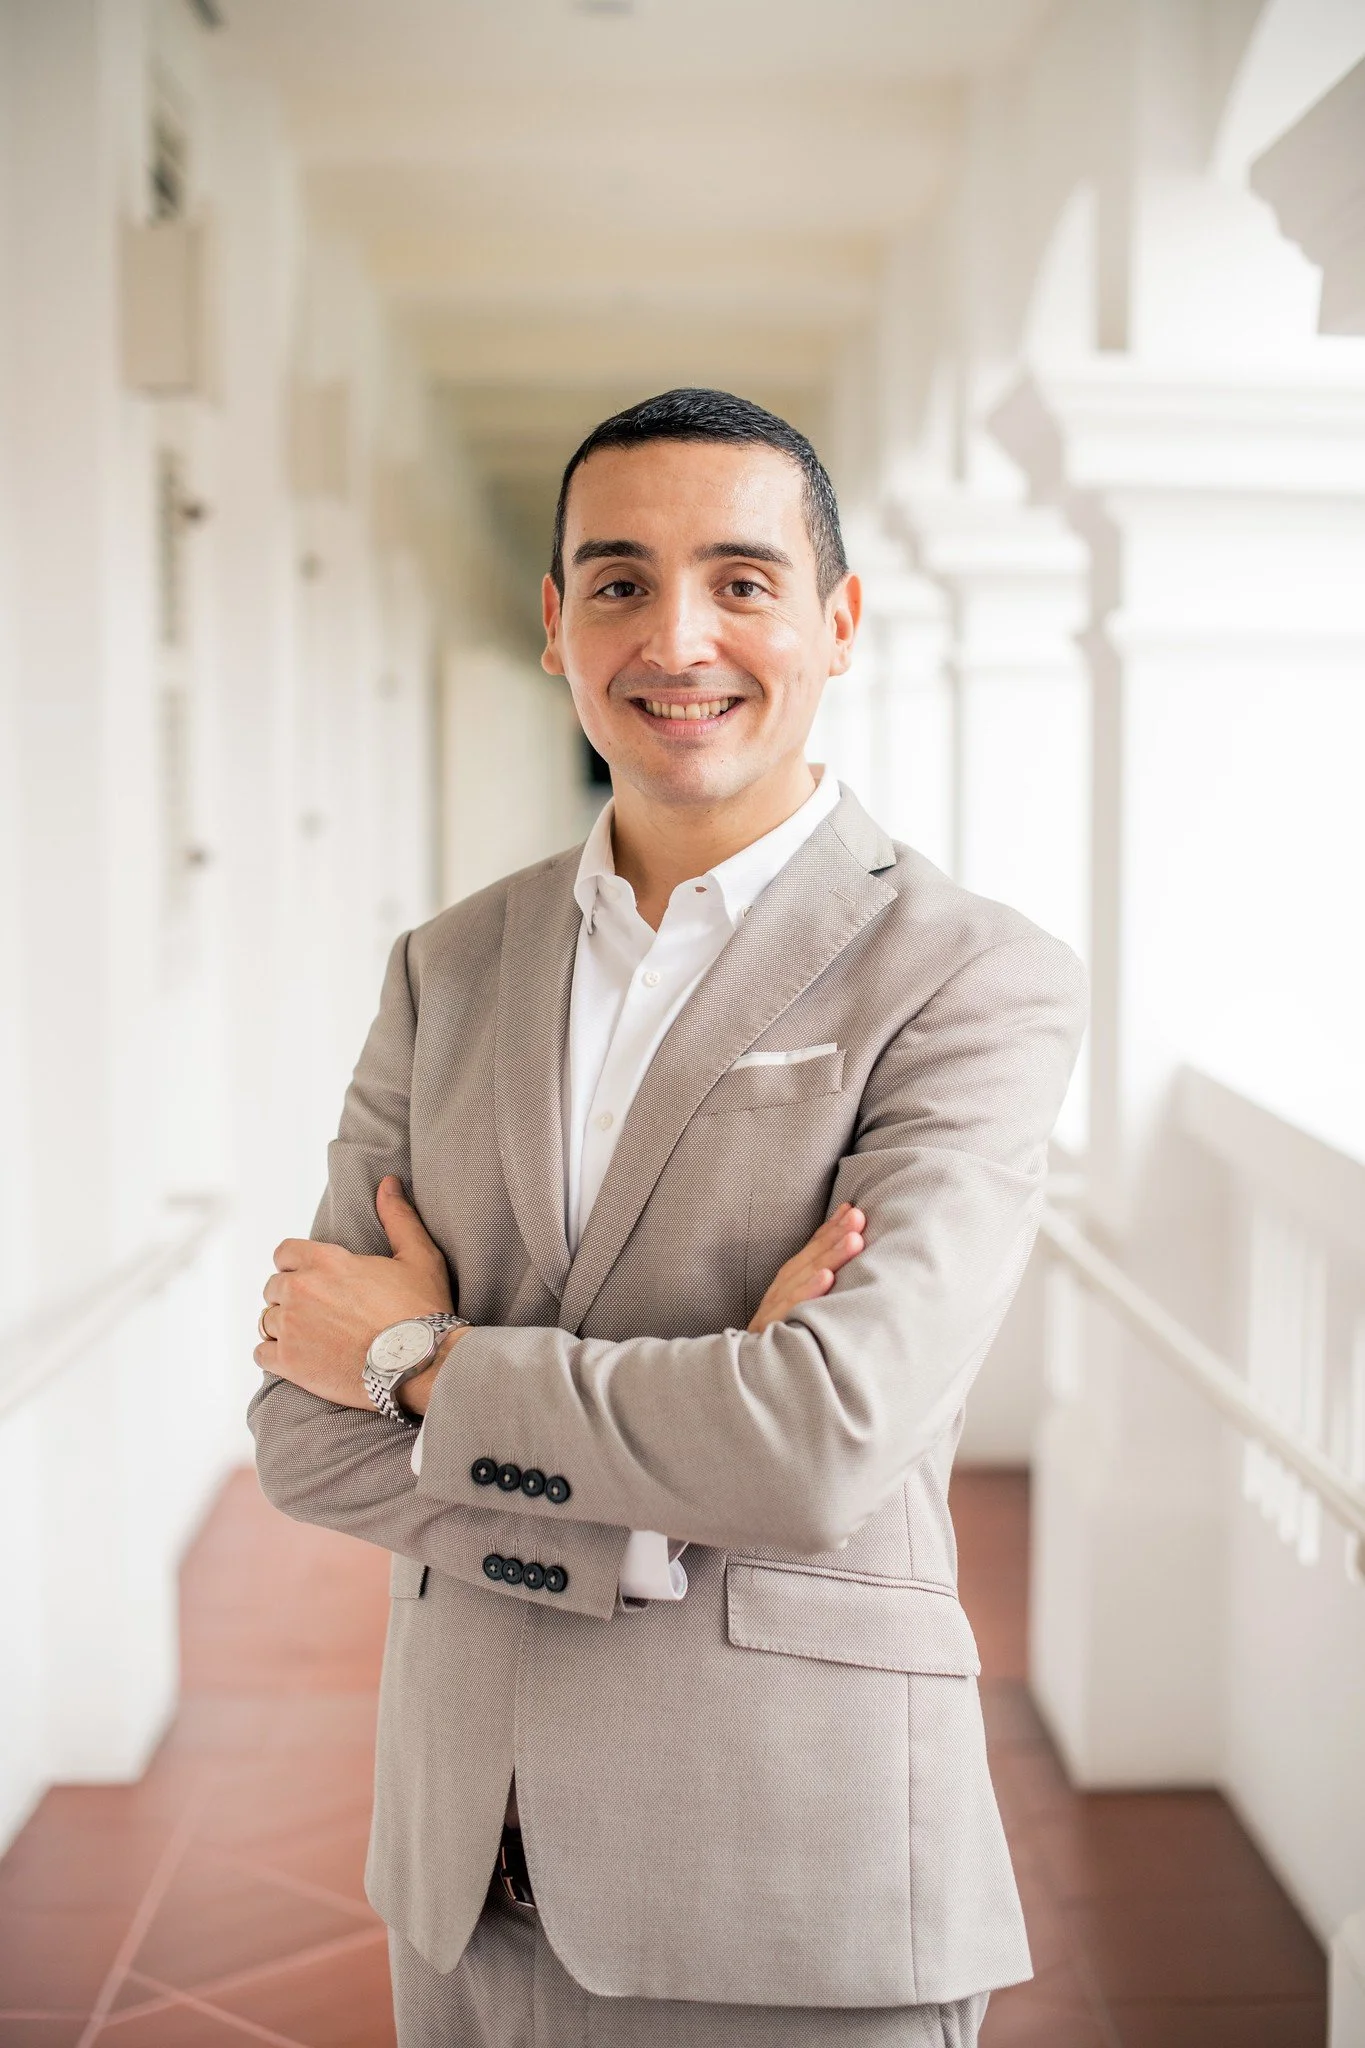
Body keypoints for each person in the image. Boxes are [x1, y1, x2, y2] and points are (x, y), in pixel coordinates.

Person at [249, 387, 1088, 2046]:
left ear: (836, 623)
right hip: (461, 1866)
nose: (678, 635)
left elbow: (820, 1440)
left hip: (786, 1864)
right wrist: (652, 1506)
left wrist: (420, 1361)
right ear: (557, 626)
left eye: (744, 580)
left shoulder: (972, 978)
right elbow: (297, 1429)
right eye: (620, 582)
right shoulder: (450, 969)